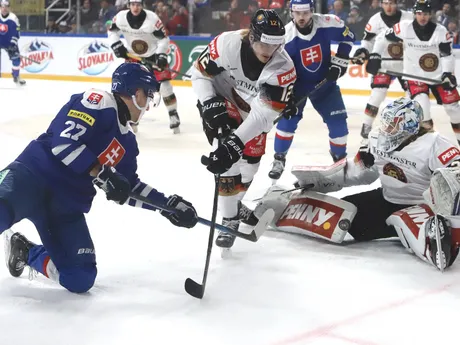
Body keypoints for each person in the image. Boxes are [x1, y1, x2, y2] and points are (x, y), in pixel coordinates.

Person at [1, 63, 198, 293]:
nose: (148, 104)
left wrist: (167, 206)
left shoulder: (128, 142)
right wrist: (101, 172)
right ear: (136, 93)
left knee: (80, 277)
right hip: (32, 177)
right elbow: (63, 144)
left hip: (64, 207)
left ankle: (25, 251)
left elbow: (127, 187)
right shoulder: (97, 102)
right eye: (148, 95)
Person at [257, 98, 460, 271]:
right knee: (340, 216)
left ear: (408, 125)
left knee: (423, 236)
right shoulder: (375, 139)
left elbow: (454, 182)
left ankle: (435, 234)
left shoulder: (437, 145)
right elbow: (359, 172)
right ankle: (285, 206)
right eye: (386, 123)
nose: (386, 130)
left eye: (393, 125)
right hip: (387, 199)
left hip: (422, 206)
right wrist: (322, 180)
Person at [191, 9, 296, 249]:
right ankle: (229, 220)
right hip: (221, 100)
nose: (270, 52)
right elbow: (199, 73)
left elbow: (263, 115)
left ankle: (235, 206)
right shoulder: (226, 44)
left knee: (250, 165)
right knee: (227, 160)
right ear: (252, 37)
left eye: (276, 45)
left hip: (254, 113)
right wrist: (208, 102)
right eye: (265, 45)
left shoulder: (283, 67)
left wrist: (237, 143)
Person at [268, 0, 355, 181]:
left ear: (312, 11)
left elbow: (349, 37)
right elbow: (278, 71)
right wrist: (287, 95)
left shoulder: (328, 22)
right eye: (297, 13)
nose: (301, 17)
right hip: (297, 87)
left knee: (339, 124)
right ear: (291, 12)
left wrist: (340, 61)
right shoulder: (285, 39)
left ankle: (339, 160)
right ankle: (279, 158)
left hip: (325, 84)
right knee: (287, 122)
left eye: (305, 13)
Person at [367, 0, 460, 144]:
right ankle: (430, 145)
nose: (422, 17)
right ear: (415, 14)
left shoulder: (441, 31)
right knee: (423, 111)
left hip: (439, 77)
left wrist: (447, 73)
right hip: (416, 78)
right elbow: (382, 38)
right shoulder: (403, 28)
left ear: (430, 15)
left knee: (454, 110)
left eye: (425, 14)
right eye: (419, 14)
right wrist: (375, 55)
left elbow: (447, 55)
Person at [108, 0, 181, 134]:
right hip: (133, 57)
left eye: (138, 4)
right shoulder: (120, 17)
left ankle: (173, 113)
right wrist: (116, 45)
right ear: (129, 5)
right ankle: (132, 119)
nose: (135, 7)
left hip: (153, 56)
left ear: (142, 5)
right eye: (133, 4)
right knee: (132, 90)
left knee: (165, 87)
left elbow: (164, 39)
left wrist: (161, 56)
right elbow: (111, 31)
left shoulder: (152, 19)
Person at [352, 0, 413, 141]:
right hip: (384, 63)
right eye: (385, 3)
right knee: (377, 94)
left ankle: (411, 126)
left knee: (413, 95)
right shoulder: (375, 20)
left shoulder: (409, 18)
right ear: (381, 4)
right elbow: (367, 41)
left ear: (396, 3)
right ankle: (366, 126)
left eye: (391, 3)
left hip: (405, 64)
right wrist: (363, 52)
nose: (389, 6)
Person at [0, 0, 25, 85]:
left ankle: (16, 76)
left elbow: (17, 31)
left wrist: (13, 42)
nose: (4, 9)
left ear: (9, 8)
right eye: (2, 7)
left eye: (6, 7)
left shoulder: (13, 18)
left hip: (9, 43)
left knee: (16, 59)